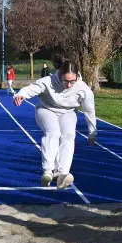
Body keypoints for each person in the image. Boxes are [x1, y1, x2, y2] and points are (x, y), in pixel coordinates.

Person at [13, 58, 97, 190]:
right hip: (46, 109)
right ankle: (48, 170)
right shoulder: (48, 81)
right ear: (60, 75)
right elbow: (32, 89)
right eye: (65, 81)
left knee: (68, 135)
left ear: (77, 77)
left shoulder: (83, 89)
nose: (69, 85)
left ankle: (62, 173)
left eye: (72, 81)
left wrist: (92, 132)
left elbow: (89, 111)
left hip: (68, 112)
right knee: (53, 132)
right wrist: (20, 95)